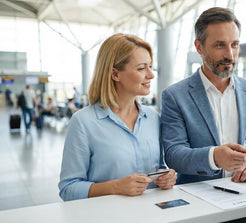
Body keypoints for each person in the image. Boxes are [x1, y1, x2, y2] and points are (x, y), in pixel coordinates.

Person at [161, 7, 246, 185]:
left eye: (234, 45)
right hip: (199, 198)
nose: (229, 55)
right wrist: (213, 157)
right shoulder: (176, 96)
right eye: (219, 45)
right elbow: (174, 154)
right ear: (199, 47)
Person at [59, 33, 177, 201]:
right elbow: (68, 188)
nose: (151, 75)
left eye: (150, 67)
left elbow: (158, 167)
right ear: (115, 74)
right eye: (141, 68)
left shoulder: (152, 118)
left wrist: (166, 177)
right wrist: (115, 187)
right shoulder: (83, 122)